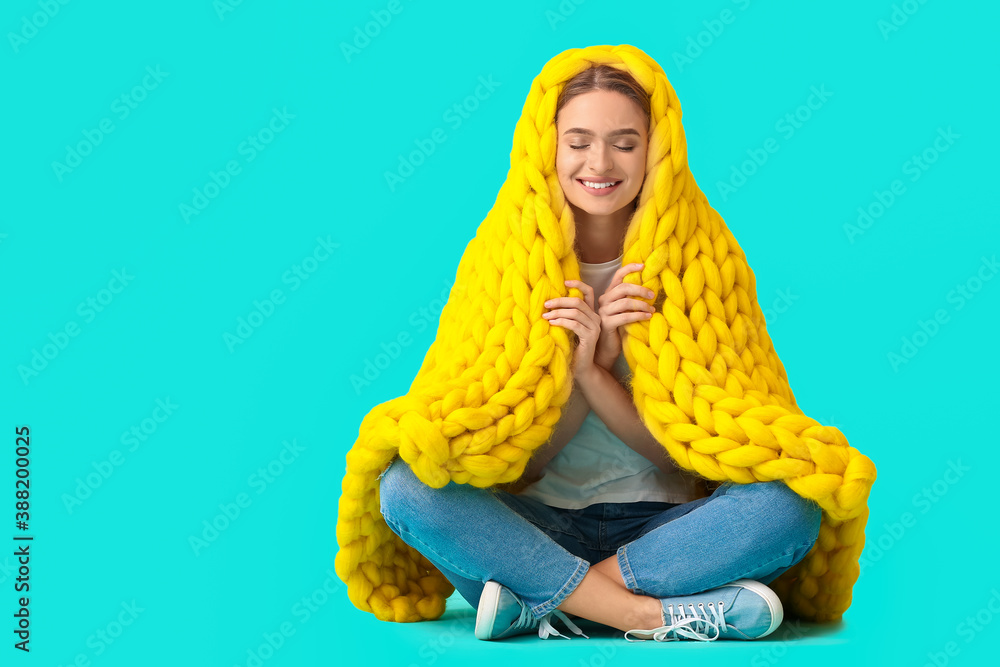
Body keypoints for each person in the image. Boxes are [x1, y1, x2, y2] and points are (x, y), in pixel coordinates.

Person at [377, 63, 822, 643]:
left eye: (625, 143)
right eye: (578, 142)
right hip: (533, 530)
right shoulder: (499, 257)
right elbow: (523, 465)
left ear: (656, 151)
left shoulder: (703, 259)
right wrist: (576, 374)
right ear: (548, 147)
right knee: (406, 485)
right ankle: (650, 616)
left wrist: (598, 373)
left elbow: (687, 462)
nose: (600, 165)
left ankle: (548, 605)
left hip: (668, 532)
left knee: (792, 502)